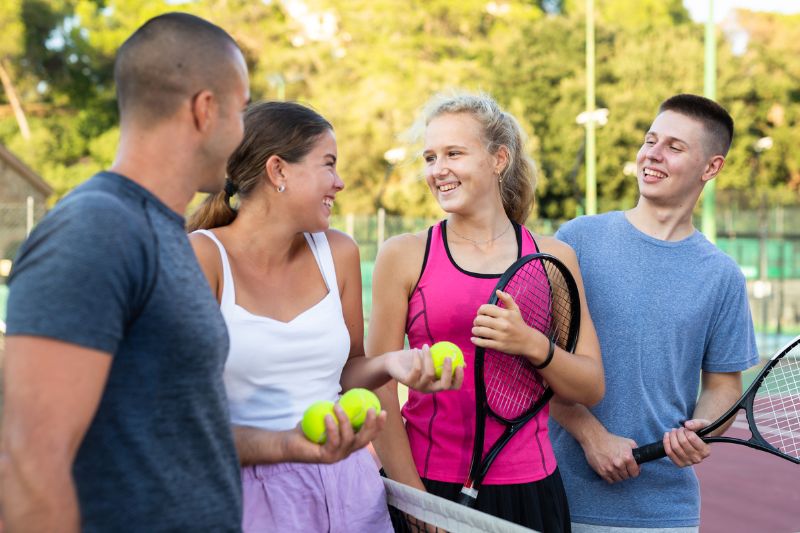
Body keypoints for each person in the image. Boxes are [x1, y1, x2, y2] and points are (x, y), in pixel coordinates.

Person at [1, 13, 250, 532]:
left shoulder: (162, 230)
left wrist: (291, 445)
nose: (243, 133)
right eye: (242, 111)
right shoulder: (97, 230)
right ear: (205, 110)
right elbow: (28, 463)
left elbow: (168, 427)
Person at [185, 100, 463, 532]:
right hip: (241, 496)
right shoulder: (201, 257)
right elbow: (184, 420)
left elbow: (346, 372)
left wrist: (392, 363)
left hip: (349, 490)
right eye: (328, 165)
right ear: (278, 171)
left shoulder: (339, 252)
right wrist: (289, 447)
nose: (341, 182)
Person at [366, 92, 605, 532]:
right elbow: (377, 383)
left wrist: (532, 344)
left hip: (532, 489)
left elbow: (589, 387)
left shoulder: (553, 258)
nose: (438, 170)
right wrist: (413, 496)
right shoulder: (402, 255)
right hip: (427, 486)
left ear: (499, 159)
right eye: (430, 157)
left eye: (454, 153)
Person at [549, 94, 759, 532]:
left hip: (665, 513)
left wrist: (704, 428)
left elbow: (722, 386)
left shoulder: (722, 277)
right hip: (559, 497)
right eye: (650, 140)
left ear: (711, 167)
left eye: (674, 147)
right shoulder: (577, 241)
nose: (652, 154)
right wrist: (592, 436)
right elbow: (535, 360)